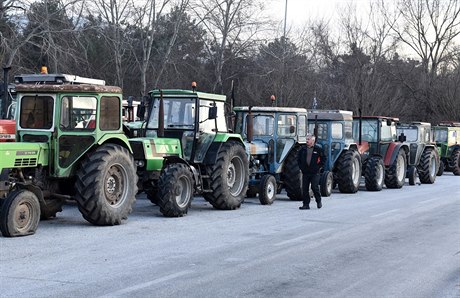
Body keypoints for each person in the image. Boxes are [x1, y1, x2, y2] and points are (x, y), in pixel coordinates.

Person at [297, 133, 326, 210]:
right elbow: (298, 159)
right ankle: (306, 204)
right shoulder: (302, 149)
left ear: (313, 140)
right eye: (306, 139)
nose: (307, 141)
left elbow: (323, 159)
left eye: (308, 139)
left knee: (314, 187)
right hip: (305, 172)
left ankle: (318, 201)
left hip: (315, 173)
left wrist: (318, 167)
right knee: (305, 189)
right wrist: (301, 167)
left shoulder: (318, 149)